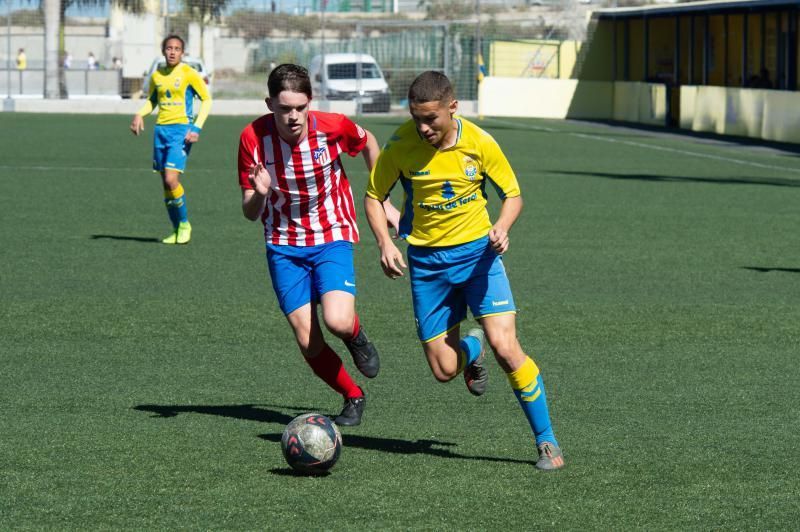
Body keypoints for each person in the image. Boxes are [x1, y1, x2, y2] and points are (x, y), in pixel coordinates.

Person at [363, 71, 565, 470]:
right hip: (427, 265)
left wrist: (502, 227)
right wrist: (385, 243)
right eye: (417, 118)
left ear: (452, 108)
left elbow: (513, 196)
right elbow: (373, 197)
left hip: (478, 257)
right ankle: (472, 348)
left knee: (508, 348)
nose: (423, 128)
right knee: (444, 370)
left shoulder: (480, 143)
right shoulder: (401, 145)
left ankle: (547, 442)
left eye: (431, 119)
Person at [237, 64, 399, 426]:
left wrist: (383, 200)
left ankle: (356, 336)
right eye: (283, 108)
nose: (292, 116)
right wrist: (260, 194)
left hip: (331, 232)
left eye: (300, 107)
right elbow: (250, 212)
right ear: (269, 104)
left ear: (310, 102)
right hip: (282, 243)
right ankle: (352, 395)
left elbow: (369, 141)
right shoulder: (252, 138)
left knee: (338, 320)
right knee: (308, 341)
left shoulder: (333, 126)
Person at [130, 35, 212, 244]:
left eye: (177, 48)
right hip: (161, 131)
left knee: (171, 179)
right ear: (163, 51)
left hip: (181, 132)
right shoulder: (157, 75)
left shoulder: (188, 73)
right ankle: (176, 230)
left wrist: (196, 128)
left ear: (182, 53)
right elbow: (152, 100)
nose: (173, 52)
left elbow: (207, 99)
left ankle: (184, 223)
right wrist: (140, 114)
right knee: (165, 185)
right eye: (169, 48)